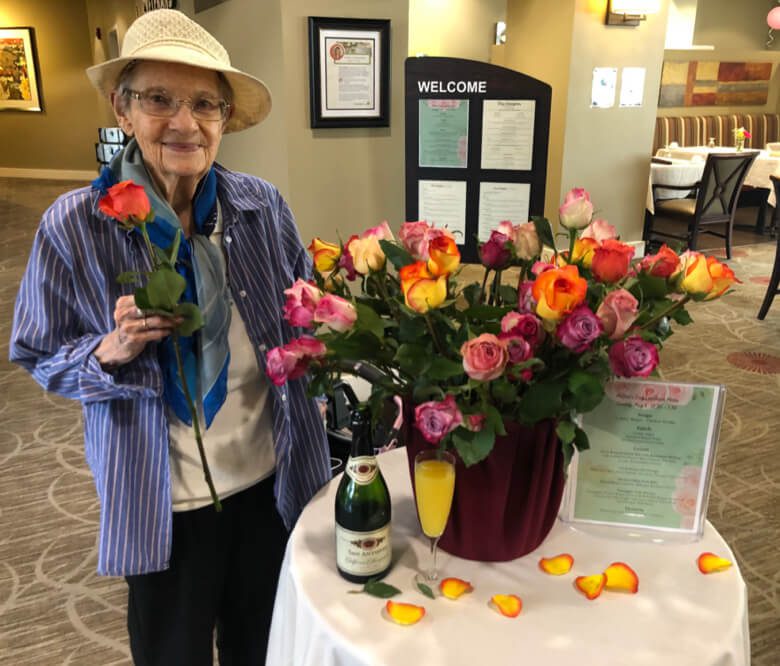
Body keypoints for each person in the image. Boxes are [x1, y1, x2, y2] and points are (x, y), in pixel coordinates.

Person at [9, 9, 331, 665]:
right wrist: (110, 351)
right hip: (161, 503)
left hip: (272, 487)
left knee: (265, 647)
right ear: (122, 109)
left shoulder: (261, 207)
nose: (184, 123)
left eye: (205, 104)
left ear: (223, 120)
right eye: (160, 99)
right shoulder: (75, 225)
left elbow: (308, 315)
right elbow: (37, 350)